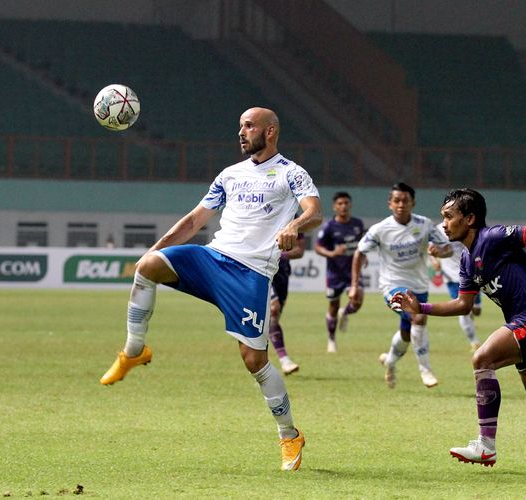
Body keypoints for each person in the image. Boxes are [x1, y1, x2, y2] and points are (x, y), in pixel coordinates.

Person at [99, 107, 323, 471]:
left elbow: (315, 212)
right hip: (212, 259)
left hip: (250, 275)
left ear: (270, 132)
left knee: (254, 361)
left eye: (249, 126)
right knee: (148, 266)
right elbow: (192, 221)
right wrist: (153, 250)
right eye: (240, 126)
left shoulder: (290, 173)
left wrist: (295, 224)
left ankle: (289, 435)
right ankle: (133, 351)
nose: (241, 132)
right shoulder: (229, 175)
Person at [393, 188, 526, 467]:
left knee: (482, 358)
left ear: (470, 218)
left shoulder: (493, 237)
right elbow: (462, 305)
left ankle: (486, 445)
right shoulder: (466, 260)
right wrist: (420, 308)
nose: (444, 224)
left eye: (449, 217)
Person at [349, 182, 452, 389]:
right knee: (418, 317)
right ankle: (425, 369)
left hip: (420, 286)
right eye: (397, 200)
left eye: (405, 200)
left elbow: (447, 248)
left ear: (412, 203)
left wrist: (439, 252)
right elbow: (360, 252)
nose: (401, 204)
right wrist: (354, 285)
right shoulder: (380, 229)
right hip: (392, 286)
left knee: (408, 332)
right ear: (390, 204)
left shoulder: (425, 225)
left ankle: (390, 361)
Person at [313, 191, 365, 353]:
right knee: (333, 305)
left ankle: (346, 312)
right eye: (340, 204)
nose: (343, 206)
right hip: (334, 273)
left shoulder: (358, 224)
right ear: (335, 207)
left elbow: (362, 245)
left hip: (352, 272)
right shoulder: (329, 227)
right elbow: (318, 247)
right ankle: (331, 339)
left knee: (357, 301)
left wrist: (363, 257)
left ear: (350, 205)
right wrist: (332, 253)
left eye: (346, 203)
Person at [429, 222, 481, 352]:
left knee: (476, 310)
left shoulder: (467, 225)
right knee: (463, 309)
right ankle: (474, 342)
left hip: (471, 272)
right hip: (452, 276)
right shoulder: (439, 230)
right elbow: (430, 248)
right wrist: (434, 261)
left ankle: (471, 315)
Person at [269, 231, 305, 375]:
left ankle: (261, 363)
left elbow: (299, 250)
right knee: (273, 309)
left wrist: (281, 255)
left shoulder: (293, 217)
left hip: (282, 273)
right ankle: (284, 360)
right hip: (260, 267)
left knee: (272, 319)